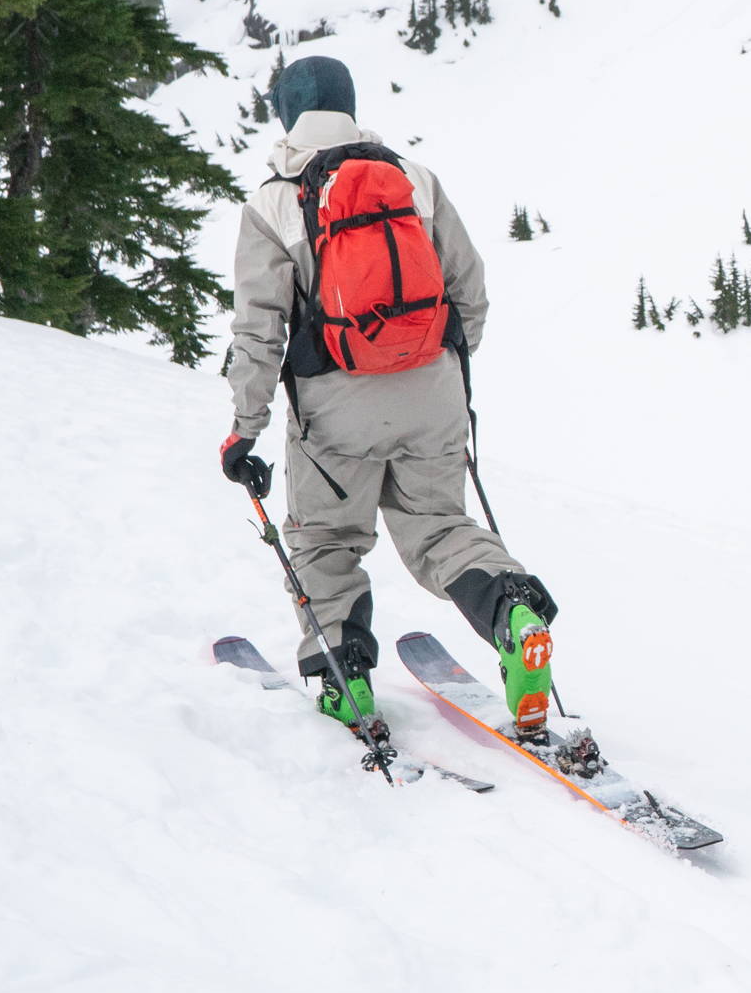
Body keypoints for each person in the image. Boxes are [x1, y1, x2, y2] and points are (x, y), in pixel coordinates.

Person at [218, 54, 558, 732]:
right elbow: (471, 292)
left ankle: (345, 680)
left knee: (324, 541)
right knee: (440, 527)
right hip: (433, 389)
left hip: (335, 404)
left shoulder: (273, 201)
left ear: (287, 113)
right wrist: (439, 369)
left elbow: (259, 331)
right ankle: (514, 612)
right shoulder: (413, 179)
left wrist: (244, 429)